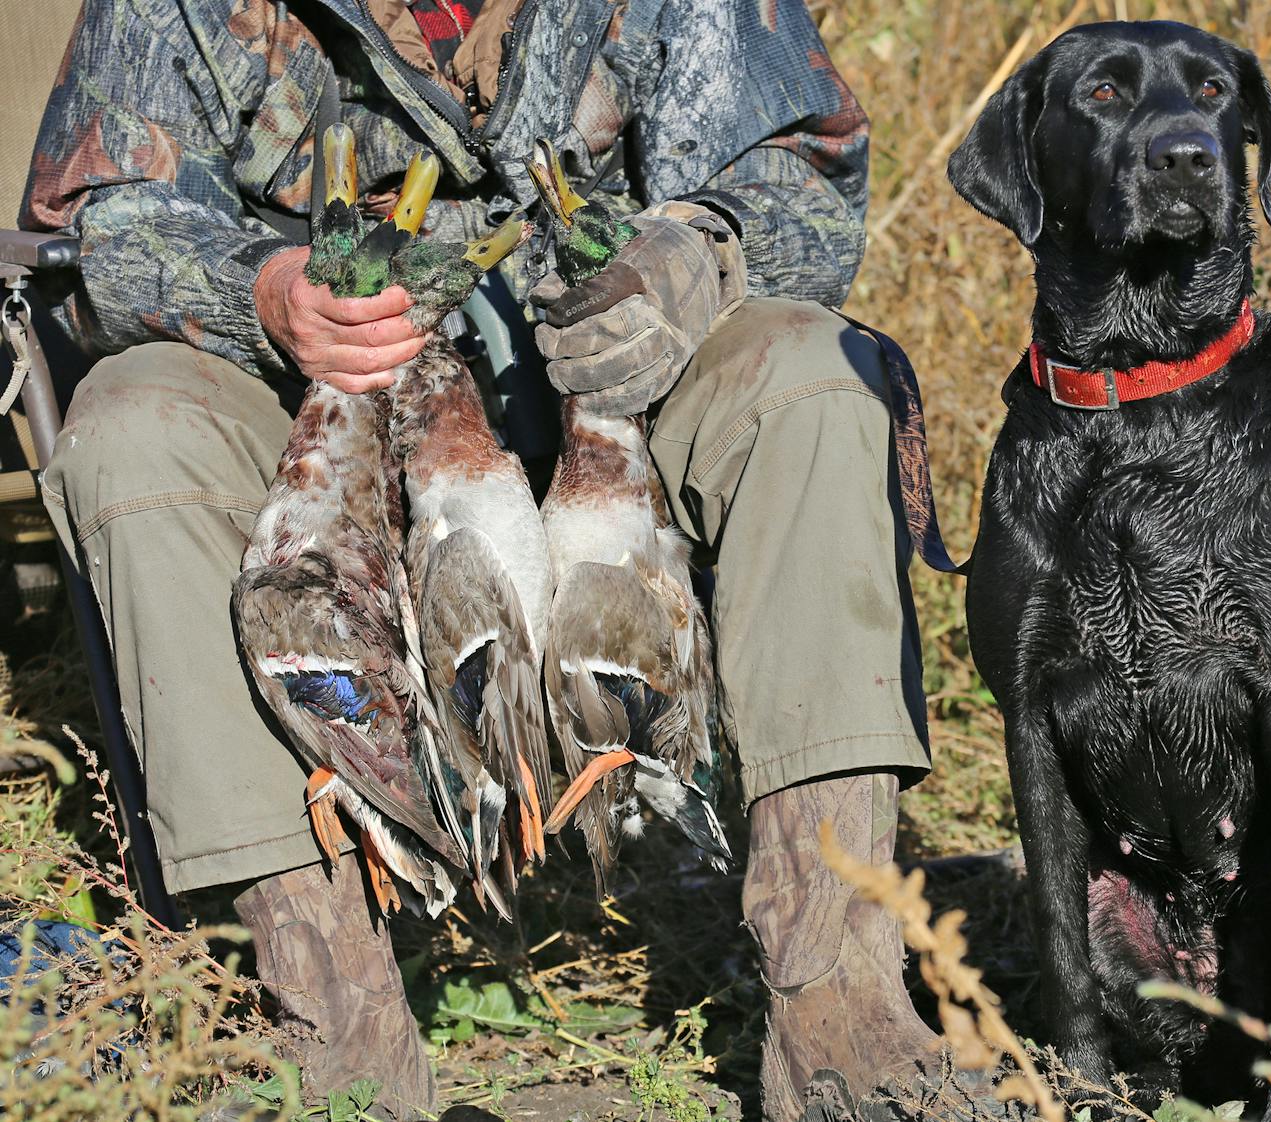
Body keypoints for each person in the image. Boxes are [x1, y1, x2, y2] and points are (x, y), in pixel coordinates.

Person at [22, 2, 994, 1119]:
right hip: (316, 433)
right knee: (134, 422)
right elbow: (107, 230)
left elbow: (802, 180)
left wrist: (696, 256)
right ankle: (337, 1046)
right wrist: (265, 294)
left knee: (816, 379)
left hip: (623, 418)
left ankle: (840, 1009)